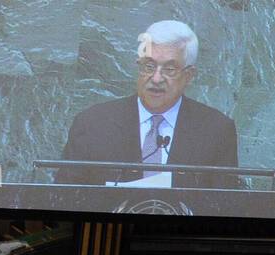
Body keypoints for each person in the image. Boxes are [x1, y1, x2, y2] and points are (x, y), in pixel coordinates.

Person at [57, 20, 240, 190]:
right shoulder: (93, 123)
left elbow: (223, 203)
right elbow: (64, 196)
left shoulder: (217, 130)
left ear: (189, 75)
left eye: (169, 69)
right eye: (149, 66)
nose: (156, 78)